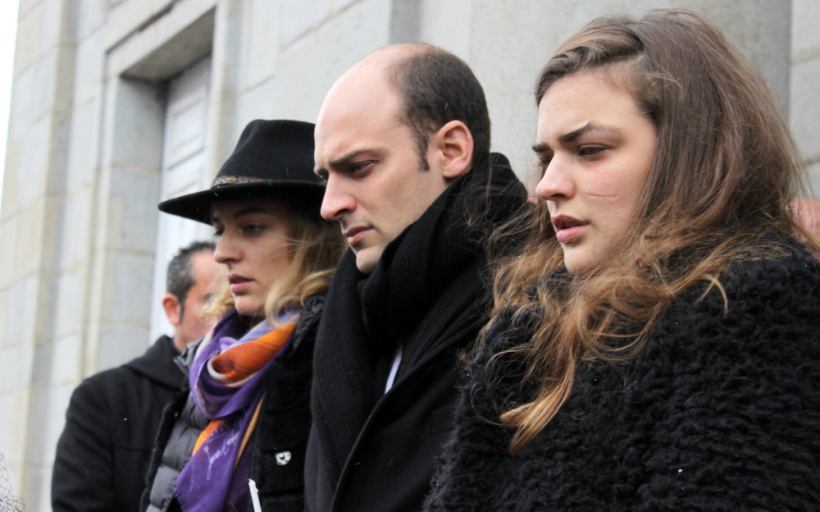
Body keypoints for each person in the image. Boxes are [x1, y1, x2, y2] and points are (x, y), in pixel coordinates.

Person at [425, 10, 820, 511]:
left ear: (687, 153)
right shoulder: (524, 331)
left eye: (589, 150)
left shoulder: (754, 303)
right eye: (546, 158)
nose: (548, 185)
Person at [306, 44, 528, 511]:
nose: (330, 205)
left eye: (359, 168)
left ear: (451, 150)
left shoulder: (536, 303)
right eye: (326, 176)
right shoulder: (345, 316)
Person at [142, 119, 345, 512]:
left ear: (313, 240)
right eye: (221, 229)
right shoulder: (211, 360)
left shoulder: (340, 352)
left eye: (251, 227)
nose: (222, 251)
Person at [52, 241, 220, 512]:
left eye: (232, 301)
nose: (225, 315)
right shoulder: (103, 399)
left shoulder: (254, 392)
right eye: (212, 300)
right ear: (172, 309)